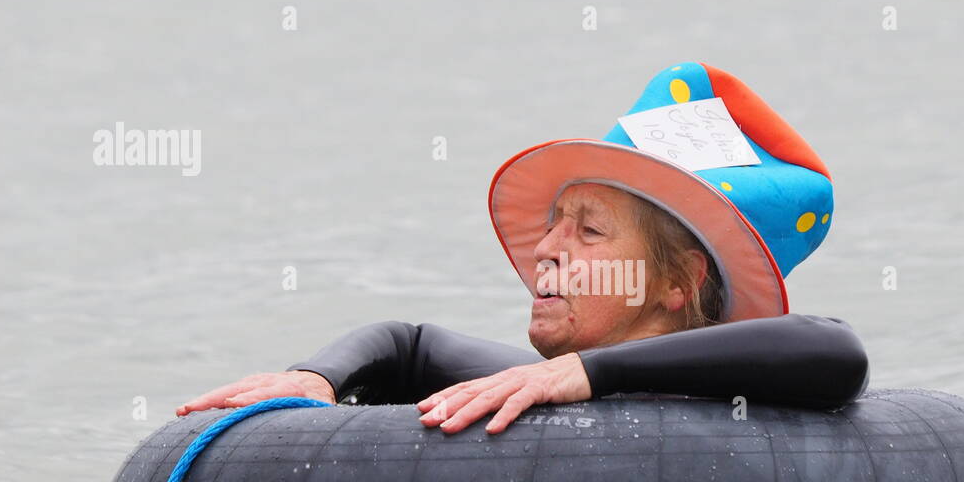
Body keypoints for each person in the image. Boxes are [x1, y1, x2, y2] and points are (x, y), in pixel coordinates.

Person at [176, 61, 869, 433]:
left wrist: (584, 375)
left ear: (676, 284)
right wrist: (315, 378)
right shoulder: (529, 380)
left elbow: (837, 351)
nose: (547, 249)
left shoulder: (750, 397)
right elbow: (407, 344)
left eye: (589, 230)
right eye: (554, 221)